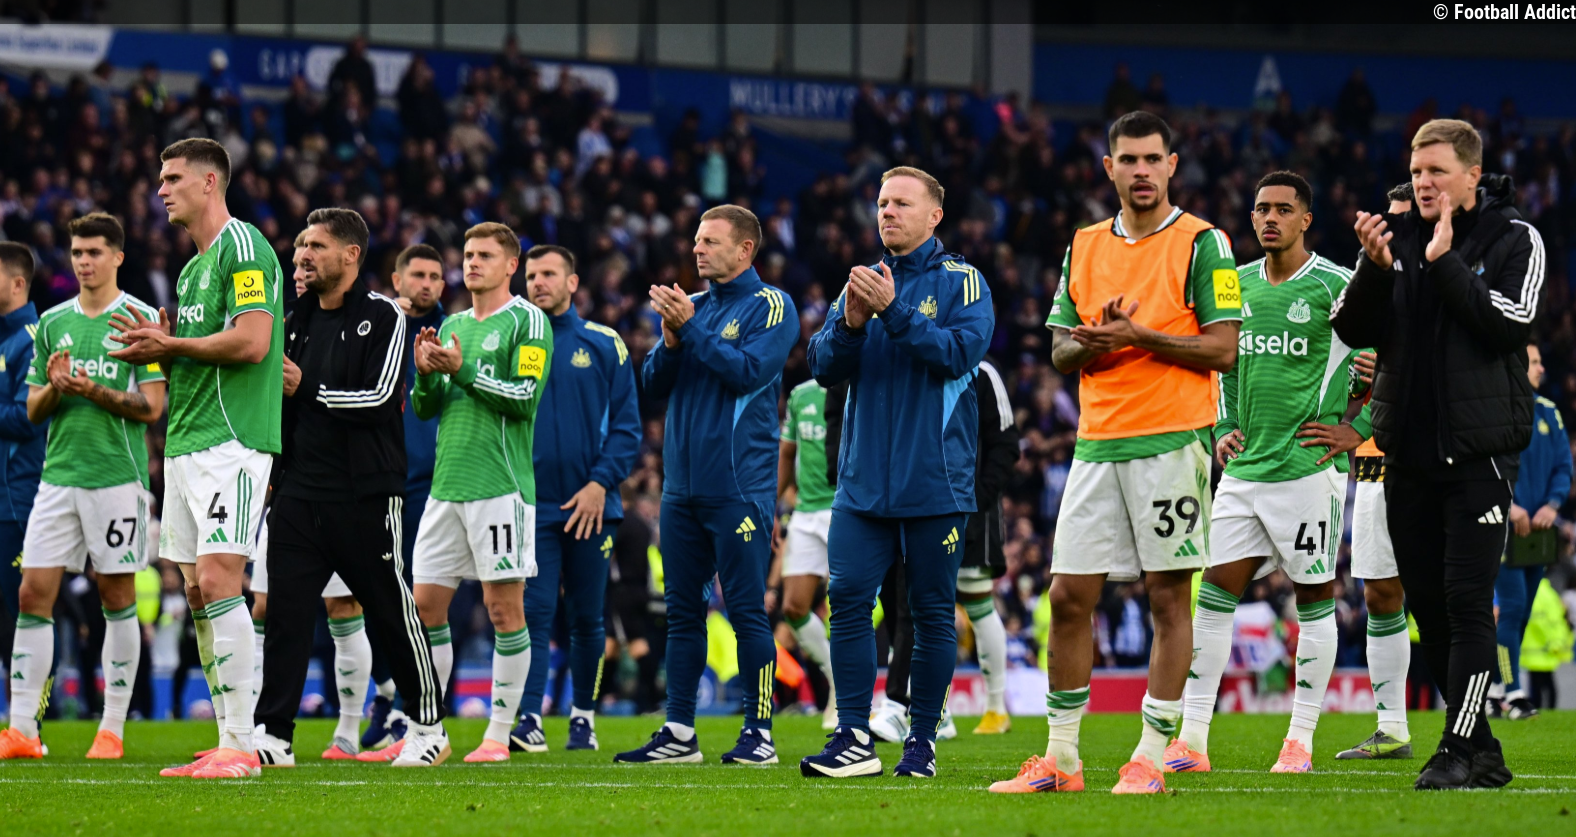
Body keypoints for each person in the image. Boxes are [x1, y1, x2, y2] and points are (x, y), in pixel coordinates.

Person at [991, 112, 1240, 795]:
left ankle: (1150, 756)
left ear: (1172, 164)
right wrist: (1094, 342)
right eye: (1128, 159)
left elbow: (1224, 348)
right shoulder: (1084, 244)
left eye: (1152, 159)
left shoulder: (1204, 242)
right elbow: (1059, 348)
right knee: (1069, 596)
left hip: (1172, 439)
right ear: (1109, 168)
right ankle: (1062, 760)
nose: (1141, 171)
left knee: (1168, 597)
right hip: (1097, 441)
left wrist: (1138, 336)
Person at [1332, 118, 1545, 790]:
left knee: (1466, 600)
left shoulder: (1515, 238)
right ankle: (1484, 751)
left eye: (1437, 171)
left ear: (1472, 174)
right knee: (1426, 605)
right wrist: (1374, 269)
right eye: (1416, 171)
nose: (1423, 183)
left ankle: (1454, 747)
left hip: (1479, 457)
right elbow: (1351, 328)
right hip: (1408, 457)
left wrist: (1446, 261)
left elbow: (1509, 324)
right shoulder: (1395, 238)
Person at [1163, 171, 1364, 775]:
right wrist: (1222, 426)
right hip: (1245, 470)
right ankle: (1192, 740)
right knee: (1213, 597)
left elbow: (1391, 360)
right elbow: (1221, 366)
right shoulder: (1236, 283)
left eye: (1282, 209)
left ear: (1306, 219)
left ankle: (1299, 741)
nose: (1270, 218)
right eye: (1261, 209)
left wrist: (1359, 428)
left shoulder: (1337, 286)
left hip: (1307, 468)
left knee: (1314, 597)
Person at [801, 165, 993, 779]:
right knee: (847, 602)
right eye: (883, 202)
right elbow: (821, 365)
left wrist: (894, 312)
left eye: (902, 204)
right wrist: (852, 324)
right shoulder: (861, 281)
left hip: (934, 481)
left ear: (935, 215)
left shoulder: (964, 282)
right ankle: (852, 736)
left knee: (931, 612)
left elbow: (959, 354)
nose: (887, 212)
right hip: (861, 485)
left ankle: (922, 740)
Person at [109, 138, 283, 780]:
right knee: (194, 590)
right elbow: (193, 354)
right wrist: (159, 347)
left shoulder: (244, 247)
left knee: (218, 582)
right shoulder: (190, 271)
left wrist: (172, 344)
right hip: (185, 442)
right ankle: (225, 737)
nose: (160, 189)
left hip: (231, 440)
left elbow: (252, 341)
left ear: (210, 182)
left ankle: (242, 743)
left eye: (173, 177)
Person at [251, 209, 450, 768]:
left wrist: (307, 388)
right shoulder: (292, 320)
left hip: (365, 494)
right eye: (300, 246)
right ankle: (274, 735)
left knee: (390, 609)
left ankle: (428, 727)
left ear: (350, 254)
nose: (302, 255)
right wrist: (272, 475)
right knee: (286, 615)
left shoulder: (384, 315)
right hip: (298, 492)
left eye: (315, 246)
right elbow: (278, 405)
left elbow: (381, 398)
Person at [617, 205, 797, 766]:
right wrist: (672, 340)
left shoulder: (771, 305)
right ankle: (679, 732)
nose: (697, 249)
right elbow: (651, 383)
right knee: (682, 613)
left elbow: (747, 373)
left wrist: (689, 330)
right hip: (681, 491)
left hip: (739, 487)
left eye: (711, 241)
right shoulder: (691, 307)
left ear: (745, 250)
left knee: (745, 611)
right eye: (696, 240)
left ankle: (759, 733)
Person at [0, 214, 165, 761]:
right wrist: (56, 386)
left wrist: (92, 389)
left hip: (116, 479)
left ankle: (111, 728)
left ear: (118, 257)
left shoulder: (140, 319)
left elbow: (152, 406)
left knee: (116, 597)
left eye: (94, 252)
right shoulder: (52, 321)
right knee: (31, 595)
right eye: (76, 252)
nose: (83, 261)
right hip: (57, 478)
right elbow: (33, 409)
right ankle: (22, 729)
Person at [411, 223, 553, 763]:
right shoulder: (451, 324)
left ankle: (496, 734)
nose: (472, 263)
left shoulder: (528, 321)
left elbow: (524, 397)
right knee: (425, 608)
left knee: (502, 609)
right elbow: (427, 407)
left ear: (511, 265)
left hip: (500, 486)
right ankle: (430, 730)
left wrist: (462, 369)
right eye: (468, 254)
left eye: (485, 255)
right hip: (446, 486)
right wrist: (426, 374)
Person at [246, 232, 374, 763]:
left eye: (309, 262)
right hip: (288, 488)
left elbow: (368, 399)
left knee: (345, 607)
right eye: (295, 266)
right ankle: (259, 729)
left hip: (344, 489)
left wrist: (307, 387)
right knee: (267, 607)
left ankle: (349, 729)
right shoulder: (282, 325)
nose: (300, 273)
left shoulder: (362, 321)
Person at [509, 244, 639, 753]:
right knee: (533, 614)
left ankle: (583, 717)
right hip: (532, 505)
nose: (538, 283)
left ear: (572, 283)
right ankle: (529, 718)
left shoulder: (604, 343)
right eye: (531, 275)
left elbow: (627, 428)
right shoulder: (514, 341)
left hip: (593, 505)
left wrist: (599, 484)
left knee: (587, 616)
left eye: (548, 274)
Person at [867, 357, 1021, 744]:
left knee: (976, 603)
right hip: (921, 507)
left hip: (973, 514)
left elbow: (1006, 446)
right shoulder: (921, 366)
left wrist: (976, 499)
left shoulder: (983, 373)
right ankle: (937, 709)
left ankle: (996, 707)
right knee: (916, 605)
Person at [1335, 182, 1418, 762]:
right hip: (1374, 460)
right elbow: (1338, 383)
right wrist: (1356, 393)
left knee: (1449, 591)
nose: (1395, 230)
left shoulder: (1452, 279)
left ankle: (1469, 722)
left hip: (1441, 455)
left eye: (1406, 219)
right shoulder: (1364, 286)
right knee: (1382, 590)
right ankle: (1393, 728)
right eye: (1390, 220)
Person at [358, 243, 446, 760]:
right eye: (418, 275)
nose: (426, 284)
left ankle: (415, 709)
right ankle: (387, 691)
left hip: (432, 484)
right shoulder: (373, 324)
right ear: (397, 279)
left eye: (435, 276)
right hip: (378, 475)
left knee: (423, 597)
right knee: (375, 591)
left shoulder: (454, 332)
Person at [1487, 340, 1570, 719]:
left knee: (1520, 611)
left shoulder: (1549, 412)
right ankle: (1513, 691)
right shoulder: (1496, 411)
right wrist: (1510, 506)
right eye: (1534, 362)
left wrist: (1552, 505)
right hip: (1505, 526)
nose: (1541, 368)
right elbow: (1488, 465)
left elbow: (1564, 465)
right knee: (1513, 606)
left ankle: (1494, 688)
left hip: (1539, 530)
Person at [775, 378, 838, 731]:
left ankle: (893, 697)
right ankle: (837, 683)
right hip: (806, 510)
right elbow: (787, 453)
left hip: (847, 508)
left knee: (851, 607)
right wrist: (772, 505)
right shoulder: (801, 394)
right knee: (794, 608)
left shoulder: (859, 383)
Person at [0, 242, 45, 698]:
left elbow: (29, 418)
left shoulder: (32, 339)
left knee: (22, 609)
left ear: (17, 283)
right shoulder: (3, 339)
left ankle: (31, 715)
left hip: (16, 498)